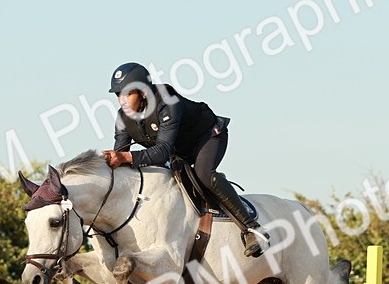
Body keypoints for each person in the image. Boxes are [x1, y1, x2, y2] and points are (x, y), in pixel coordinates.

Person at [101, 62, 267, 257]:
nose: (121, 100)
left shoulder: (167, 103)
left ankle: (251, 228)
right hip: (178, 150)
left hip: (208, 136)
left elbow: (161, 151)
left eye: (127, 94)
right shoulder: (123, 118)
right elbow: (120, 154)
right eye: (118, 95)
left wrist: (126, 157)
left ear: (144, 92)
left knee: (203, 174)